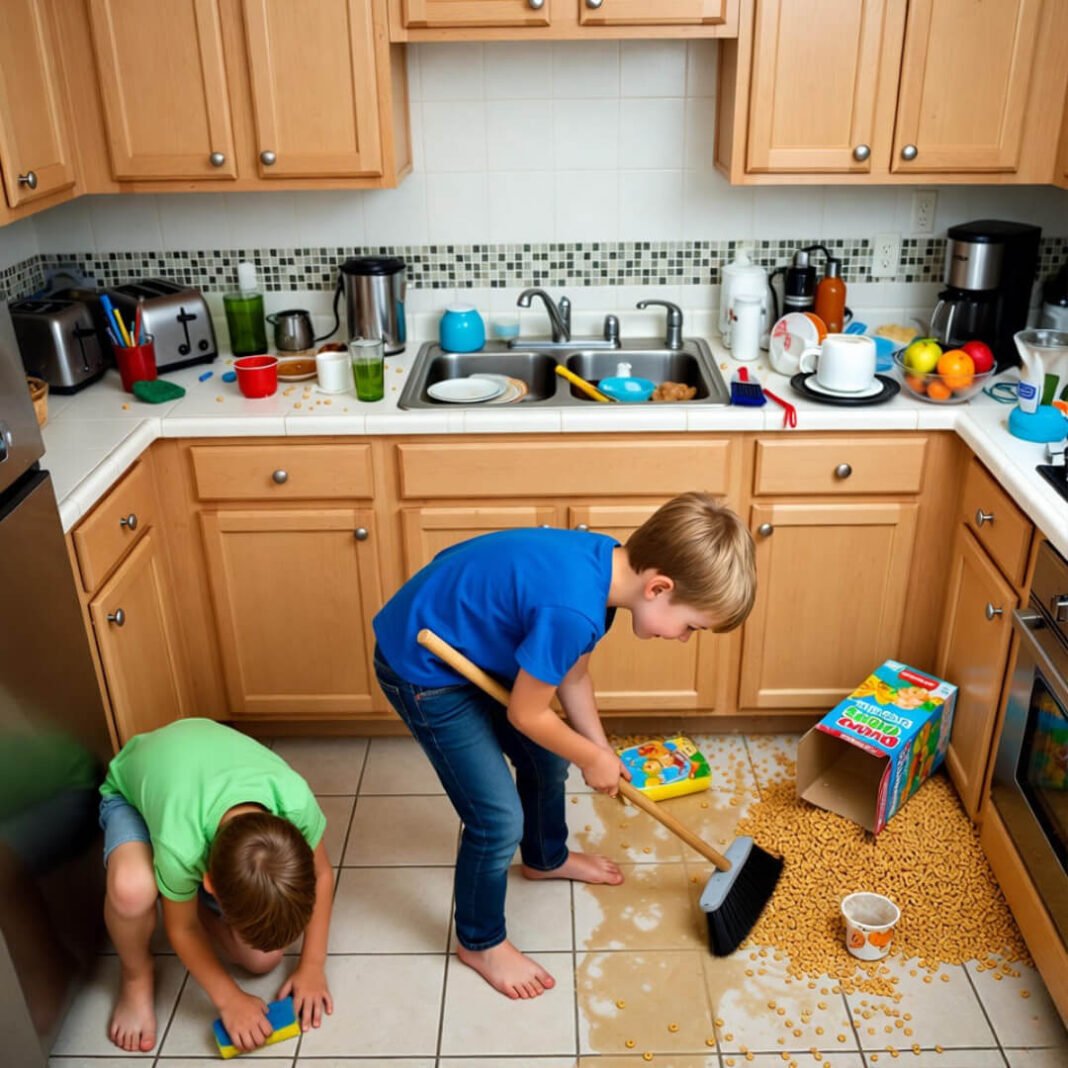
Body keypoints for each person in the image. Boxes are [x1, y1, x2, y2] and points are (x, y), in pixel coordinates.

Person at [373, 492, 756, 1000]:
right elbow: (526, 713)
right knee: (496, 819)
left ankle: (545, 858)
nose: (685, 638)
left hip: (471, 638)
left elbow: (573, 677)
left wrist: (600, 748)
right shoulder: (573, 608)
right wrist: (589, 757)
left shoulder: (608, 574)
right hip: (424, 663)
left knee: (547, 755)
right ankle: (480, 941)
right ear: (659, 586)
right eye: (691, 626)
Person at [99, 718, 334, 1054]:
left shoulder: (295, 803)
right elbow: (181, 929)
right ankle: (136, 975)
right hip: (134, 794)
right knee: (132, 889)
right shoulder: (180, 843)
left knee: (261, 961)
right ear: (208, 883)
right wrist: (229, 1000)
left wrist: (312, 964)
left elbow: (322, 874)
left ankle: (177, 894)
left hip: (200, 775)